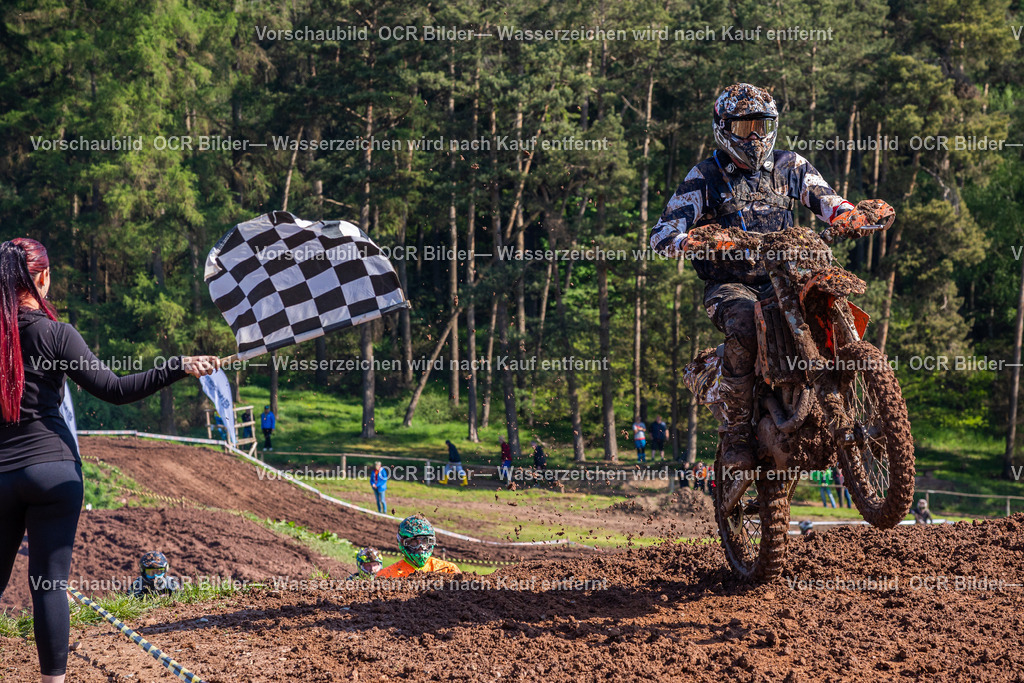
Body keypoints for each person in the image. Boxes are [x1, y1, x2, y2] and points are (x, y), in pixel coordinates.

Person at [0, 238, 217, 683]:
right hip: (55, 473)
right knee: (48, 585)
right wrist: (178, 365)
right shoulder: (57, 333)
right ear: (41, 278)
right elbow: (116, 390)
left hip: (1, 476)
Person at [650, 83, 895, 474]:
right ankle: (736, 434)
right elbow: (661, 234)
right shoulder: (705, 177)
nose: (756, 137)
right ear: (724, 128)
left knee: (830, 297)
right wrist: (692, 240)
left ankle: (851, 392)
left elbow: (826, 198)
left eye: (762, 126)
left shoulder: (790, 166)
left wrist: (849, 215)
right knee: (746, 322)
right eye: (746, 128)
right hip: (731, 283)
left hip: (786, 273)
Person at [376, 514, 460, 578]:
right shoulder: (386, 575)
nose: (420, 546)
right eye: (414, 542)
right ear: (404, 543)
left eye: (424, 541)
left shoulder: (448, 569)